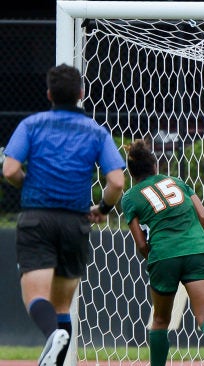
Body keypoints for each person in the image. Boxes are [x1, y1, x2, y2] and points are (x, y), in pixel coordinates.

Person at [2, 63, 126, 366]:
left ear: (48, 94)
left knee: (36, 298)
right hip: (76, 222)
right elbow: (117, 181)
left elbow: (10, 170)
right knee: (62, 306)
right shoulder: (97, 132)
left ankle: (50, 335)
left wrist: (25, 181)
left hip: (37, 218)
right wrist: (104, 208)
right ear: (81, 94)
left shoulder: (32, 125)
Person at [121, 139, 204, 366]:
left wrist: (155, 258)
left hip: (163, 256)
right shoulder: (177, 181)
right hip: (197, 250)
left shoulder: (130, 197)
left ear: (132, 173)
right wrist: (192, 239)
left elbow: (140, 243)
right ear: (155, 167)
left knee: (160, 320)